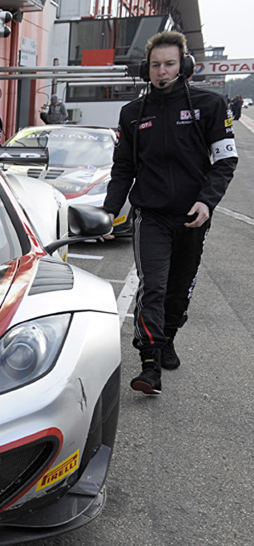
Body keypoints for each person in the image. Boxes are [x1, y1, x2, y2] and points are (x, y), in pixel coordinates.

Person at [101, 31, 237, 396]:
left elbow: (225, 161)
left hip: (193, 216)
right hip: (152, 216)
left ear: (185, 65)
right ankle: (150, 363)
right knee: (154, 288)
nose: (162, 72)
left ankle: (168, 337)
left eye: (170, 64)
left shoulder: (210, 104)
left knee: (178, 292)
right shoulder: (132, 113)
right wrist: (109, 212)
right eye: (156, 65)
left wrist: (207, 201)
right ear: (148, 69)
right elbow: (122, 169)